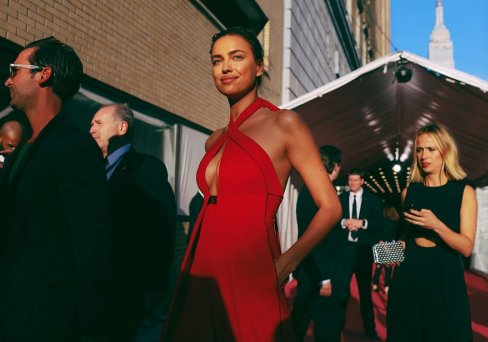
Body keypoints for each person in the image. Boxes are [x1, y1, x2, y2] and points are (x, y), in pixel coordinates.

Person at [162, 27, 341, 342]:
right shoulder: (214, 140)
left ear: (259, 66)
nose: (226, 67)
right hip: (202, 266)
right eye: (217, 60)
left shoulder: (284, 124)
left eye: (237, 57)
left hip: (252, 267)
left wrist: (285, 265)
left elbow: (330, 207)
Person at [0, 37, 110, 341]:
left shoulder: (73, 146)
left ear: (43, 75)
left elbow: (91, 242)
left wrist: (88, 328)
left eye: (15, 70)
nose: (8, 80)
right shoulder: (25, 144)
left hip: (46, 320)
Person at [90, 103, 177, 342]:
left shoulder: (147, 168)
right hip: (97, 292)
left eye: (98, 123)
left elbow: (162, 229)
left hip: (132, 293)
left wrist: (151, 288)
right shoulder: (91, 170)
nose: (91, 129)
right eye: (91, 124)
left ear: (122, 127)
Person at [387, 123, 477, 341]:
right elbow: (405, 237)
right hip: (407, 281)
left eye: (430, 149)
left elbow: (466, 248)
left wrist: (436, 224)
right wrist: (390, 252)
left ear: (445, 151)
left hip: (445, 282)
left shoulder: (463, 192)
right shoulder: (409, 191)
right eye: (419, 149)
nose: (423, 155)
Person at [293, 145, 345, 342]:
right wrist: (324, 278)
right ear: (336, 166)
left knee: (301, 321)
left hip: (311, 270)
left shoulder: (310, 188)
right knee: (325, 329)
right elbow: (314, 238)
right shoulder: (321, 191)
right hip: (320, 274)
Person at [337, 168, 383, 339]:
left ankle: (370, 331)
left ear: (362, 181)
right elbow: (333, 219)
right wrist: (344, 222)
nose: (353, 183)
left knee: (365, 294)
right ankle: (338, 328)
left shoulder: (372, 200)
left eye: (356, 180)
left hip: (363, 253)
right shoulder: (340, 199)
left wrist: (362, 223)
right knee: (342, 292)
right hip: (346, 252)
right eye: (350, 180)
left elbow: (379, 224)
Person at [371, 202, 400, 294]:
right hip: (391, 244)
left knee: (379, 267)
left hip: (382, 243)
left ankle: (375, 284)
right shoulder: (396, 221)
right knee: (388, 268)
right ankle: (387, 286)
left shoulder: (383, 220)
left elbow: (379, 232)